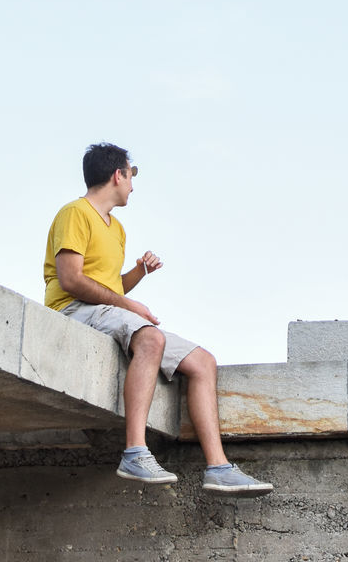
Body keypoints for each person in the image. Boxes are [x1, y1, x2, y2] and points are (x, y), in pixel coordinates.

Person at [44, 142, 273, 496]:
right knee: (152, 338)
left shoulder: (116, 230)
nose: (133, 186)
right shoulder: (75, 213)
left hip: (104, 310)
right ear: (117, 175)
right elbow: (72, 281)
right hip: (72, 310)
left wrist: (137, 273)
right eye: (130, 176)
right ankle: (135, 453)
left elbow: (107, 287)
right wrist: (131, 306)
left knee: (203, 362)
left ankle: (219, 468)